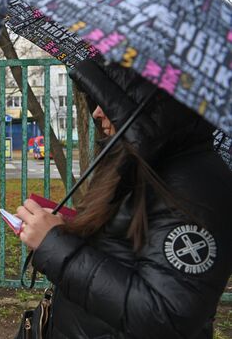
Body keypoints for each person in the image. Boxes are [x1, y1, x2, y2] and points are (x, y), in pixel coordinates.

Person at [15, 58, 232, 338]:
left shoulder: (195, 184)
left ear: (150, 100)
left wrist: (56, 246)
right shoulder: (144, 161)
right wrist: (64, 232)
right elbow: (122, 251)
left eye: (110, 95)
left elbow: (165, 316)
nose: (96, 112)